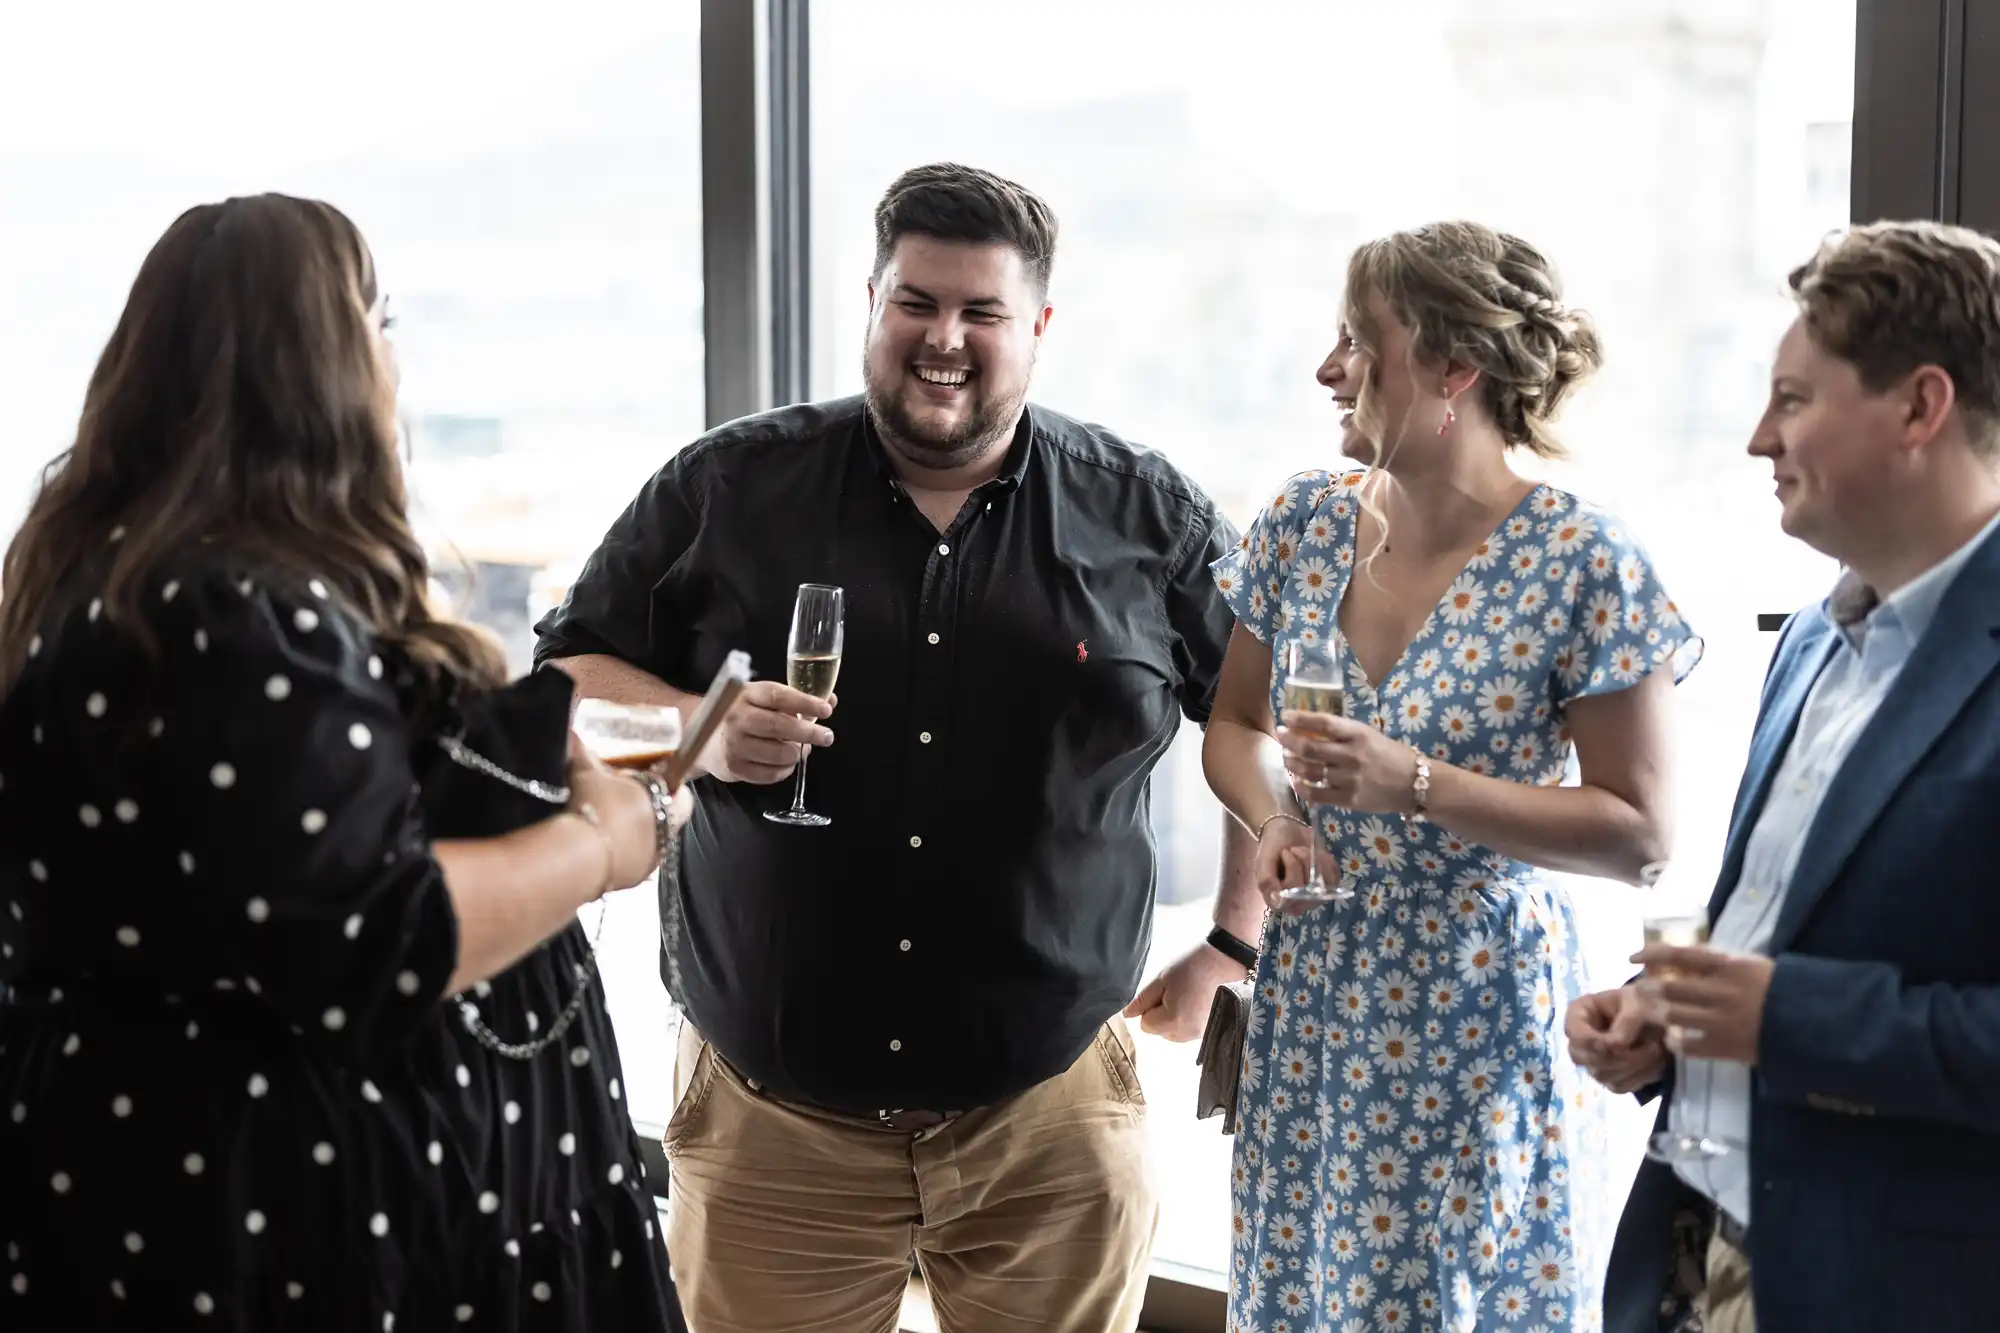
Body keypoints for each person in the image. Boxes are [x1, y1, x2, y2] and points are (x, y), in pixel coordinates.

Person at [534, 161, 1260, 1332]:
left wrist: (1234, 938)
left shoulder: (1143, 513)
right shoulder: (727, 485)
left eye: (981, 312)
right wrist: (698, 733)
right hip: (769, 1133)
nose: (944, 339)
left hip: (1051, 1128)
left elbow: (1253, 715)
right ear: (869, 303)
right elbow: (562, 682)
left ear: (1037, 325)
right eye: (915, 303)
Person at [0, 194, 692, 1332]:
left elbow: (275, 856)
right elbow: (380, 930)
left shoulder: (144, 583)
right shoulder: (230, 609)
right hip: (279, 1215)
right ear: (315, 361)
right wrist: (605, 843)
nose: (390, 357)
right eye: (379, 321)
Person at [1202, 220, 1701, 1331]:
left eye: (1355, 342)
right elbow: (1233, 722)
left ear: (1451, 367)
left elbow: (1641, 832)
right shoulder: (1301, 523)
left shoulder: (1583, 560)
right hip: (1312, 998)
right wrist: (1274, 816)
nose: (1326, 370)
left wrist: (1415, 783)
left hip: (1470, 1012)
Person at [1572, 220, 2000, 1333]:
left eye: (1793, 399)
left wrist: (1786, 1015)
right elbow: (1788, 936)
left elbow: (1800, 1005)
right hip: (1692, 1245)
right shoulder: (1808, 638)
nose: (1758, 437)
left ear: (1919, 408)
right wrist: (1670, 1022)